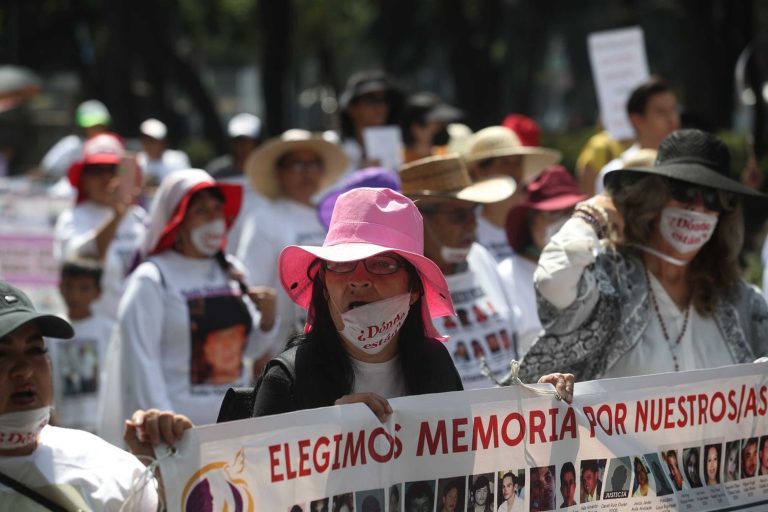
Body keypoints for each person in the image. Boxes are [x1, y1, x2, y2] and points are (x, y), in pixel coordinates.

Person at [124, 189, 575, 453]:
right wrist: (323, 439)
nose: (358, 281)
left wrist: (535, 409)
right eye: (340, 266)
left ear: (414, 286)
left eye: (381, 265)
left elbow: (468, 467)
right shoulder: (287, 379)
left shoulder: (436, 362)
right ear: (322, 283)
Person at [520, 129, 768, 383]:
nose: (698, 206)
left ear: (724, 213)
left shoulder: (738, 301)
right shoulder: (607, 277)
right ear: (654, 196)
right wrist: (589, 216)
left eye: (713, 197)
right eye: (684, 190)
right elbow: (553, 280)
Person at [103, 169, 277, 439]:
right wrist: (169, 429)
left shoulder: (232, 271)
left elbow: (247, 349)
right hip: (178, 436)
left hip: (232, 435)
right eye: (201, 211)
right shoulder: (151, 279)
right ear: (178, 220)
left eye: (217, 209)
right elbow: (141, 365)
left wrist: (266, 321)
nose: (213, 219)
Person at [0, 281, 158, 509]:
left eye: (34, 350)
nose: (24, 370)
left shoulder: (113, 471)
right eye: (2, 355)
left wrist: (168, 479)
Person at [399, 155, 520, 389]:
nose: (472, 225)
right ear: (420, 219)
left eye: (473, 212)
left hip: (506, 419)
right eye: (458, 216)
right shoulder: (401, 281)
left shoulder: (480, 257)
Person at [237, 129, 348, 348]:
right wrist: (261, 343)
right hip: (282, 346)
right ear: (279, 172)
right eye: (296, 165)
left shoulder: (334, 215)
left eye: (313, 164)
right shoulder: (263, 219)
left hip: (336, 341)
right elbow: (252, 287)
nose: (306, 172)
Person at [53, 132, 146, 319]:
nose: (105, 178)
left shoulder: (139, 217)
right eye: (96, 171)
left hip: (138, 325)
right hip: (98, 331)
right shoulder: (71, 218)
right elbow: (79, 261)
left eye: (112, 170)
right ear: (84, 179)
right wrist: (117, 215)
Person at [498, 166, 585, 357]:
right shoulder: (506, 276)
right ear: (531, 221)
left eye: (572, 212)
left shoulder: (591, 266)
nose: (564, 222)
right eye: (553, 214)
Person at [464, 125, 561, 262]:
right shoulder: (468, 225)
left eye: (518, 163)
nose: (513, 170)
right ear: (479, 171)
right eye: (505, 163)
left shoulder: (534, 221)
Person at [48, 258, 115, 433]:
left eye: (84, 288)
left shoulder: (109, 330)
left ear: (98, 292)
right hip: (63, 425)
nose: (75, 295)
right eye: (69, 286)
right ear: (60, 287)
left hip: (101, 426)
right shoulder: (50, 330)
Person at [594, 77, 680, 194]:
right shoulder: (615, 173)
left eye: (674, 109)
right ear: (637, 120)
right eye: (661, 112)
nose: (672, 119)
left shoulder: (693, 166)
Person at [207, 113, 264, 255]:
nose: (241, 146)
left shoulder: (267, 172)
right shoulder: (216, 173)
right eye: (237, 141)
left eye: (246, 141)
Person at [338, 70, 405, 174]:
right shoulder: (335, 150)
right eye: (372, 100)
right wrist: (361, 176)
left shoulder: (400, 148)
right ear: (351, 108)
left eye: (385, 100)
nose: (381, 107)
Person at [42, 99, 112, 197]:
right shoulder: (72, 144)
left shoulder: (111, 145)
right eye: (91, 126)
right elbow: (49, 168)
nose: (96, 130)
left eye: (99, 126)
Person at [401, 92, 463, 163]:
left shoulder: (445, 157)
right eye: (437, 123)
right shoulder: (400, 164)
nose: (441, 128)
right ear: (417, 128)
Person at [136, 118, 191, 186]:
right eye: (146, 140)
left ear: (163, 143)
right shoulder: (137, 161)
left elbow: (185, 186)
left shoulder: (178, 159)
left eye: (153, 141)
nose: (148, 144)